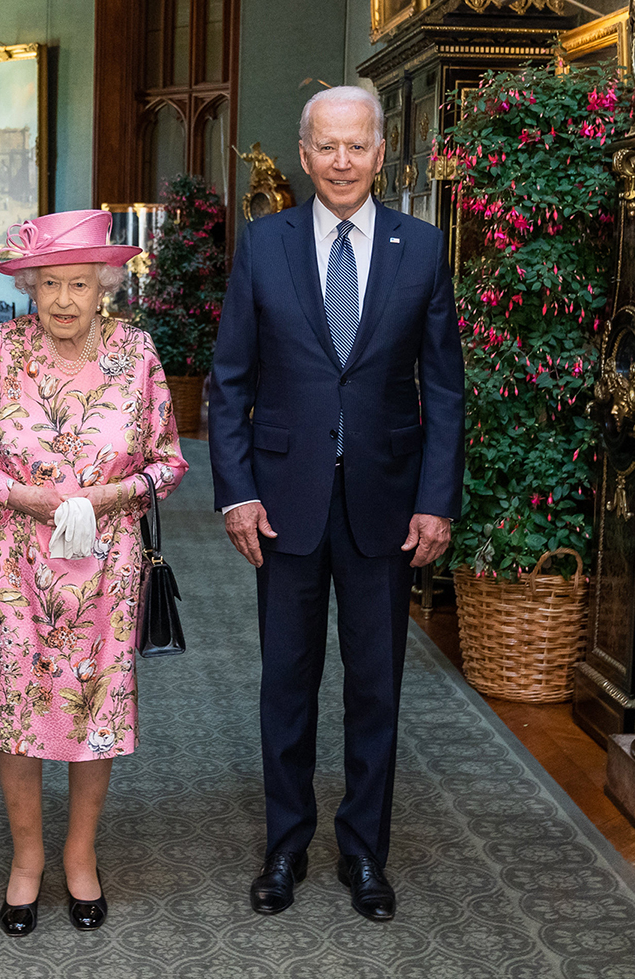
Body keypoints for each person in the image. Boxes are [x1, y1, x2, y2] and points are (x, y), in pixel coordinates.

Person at [208, 86, 464, 923]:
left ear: (383, 153)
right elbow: (230, 381)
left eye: (359, 146)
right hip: (282, 505)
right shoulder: (263, 243)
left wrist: (436, 500)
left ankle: (364, 853)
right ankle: (285, 846)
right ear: (305, 152)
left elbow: (446, 391)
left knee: (375, 687)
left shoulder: (421, 249)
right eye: (328, 146)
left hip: (387, 507)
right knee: (286, 682)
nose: (344, 161)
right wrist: (237, 490)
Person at [0, 209, 189, 936]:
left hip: (106, 569)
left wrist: (106, 497)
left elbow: (169, 462)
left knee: (93, 714)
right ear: (30, 285)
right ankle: (26, 859)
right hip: (16, 564)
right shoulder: (0, 350)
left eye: (79, 284)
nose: (63, 301)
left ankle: (80, 855)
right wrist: (24, 496)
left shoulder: (136, 352)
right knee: (18, 716)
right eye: (49, 284)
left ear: (105, 283)